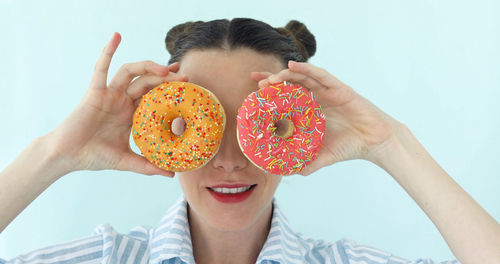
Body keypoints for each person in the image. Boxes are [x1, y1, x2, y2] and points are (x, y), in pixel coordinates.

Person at [0, 18, 498, 264]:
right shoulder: (106, 258)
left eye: (257, 126)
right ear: (158, 128)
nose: (231, 159)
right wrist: (54, 155)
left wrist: (391, 144)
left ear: (297, 126)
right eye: (205, 127)